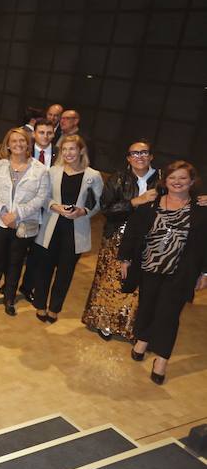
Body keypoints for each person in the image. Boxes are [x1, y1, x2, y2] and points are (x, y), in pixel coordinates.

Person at [120, 161, 207, 384]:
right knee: (148, 306)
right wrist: (126, 259)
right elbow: (132, 231)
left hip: (180, 272)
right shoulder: (151, 203)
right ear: (165, 181)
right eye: (172, 178)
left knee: (168, 315)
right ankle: (143, 338)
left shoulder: (200, 210)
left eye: (183, 178)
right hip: (148, 267)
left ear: (191, 181)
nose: (177, 182)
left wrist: (205, 273)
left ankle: (162, 359)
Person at [81, 141, 159, 340]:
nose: (139, 156)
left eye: (144, 152)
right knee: (111, 280)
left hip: (149, 239)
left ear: (151, 156)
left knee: (139, 283)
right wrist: (135, 202)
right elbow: (106, 208)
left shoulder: (161, 180)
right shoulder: (118, 178)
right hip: (117, 235)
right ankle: (105, 321)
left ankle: (131, 326)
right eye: (134, 153)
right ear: (128, 158)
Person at [29, 135, 103, 322]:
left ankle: (55, 307)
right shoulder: (53, 171)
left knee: (65, 271)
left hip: (75, 230)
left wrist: (82, 210)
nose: (68, 153)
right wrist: (55, 206)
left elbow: (98, 203)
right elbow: (43, 197)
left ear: (81, 150)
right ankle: (40, 304)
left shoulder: (93, 175)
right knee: (44, 268)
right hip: (51, 227)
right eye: (65, 149)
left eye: (72, 149)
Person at [0, 128, 50, 316]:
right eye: (14, 141)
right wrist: (3, 212)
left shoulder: (40, 170)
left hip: (24, 223)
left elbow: (40, 198)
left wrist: (17, 214)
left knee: (15, 262)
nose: (18, 144)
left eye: (22, 141)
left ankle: (9, 297)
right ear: (8, 145)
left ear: (28, 144)